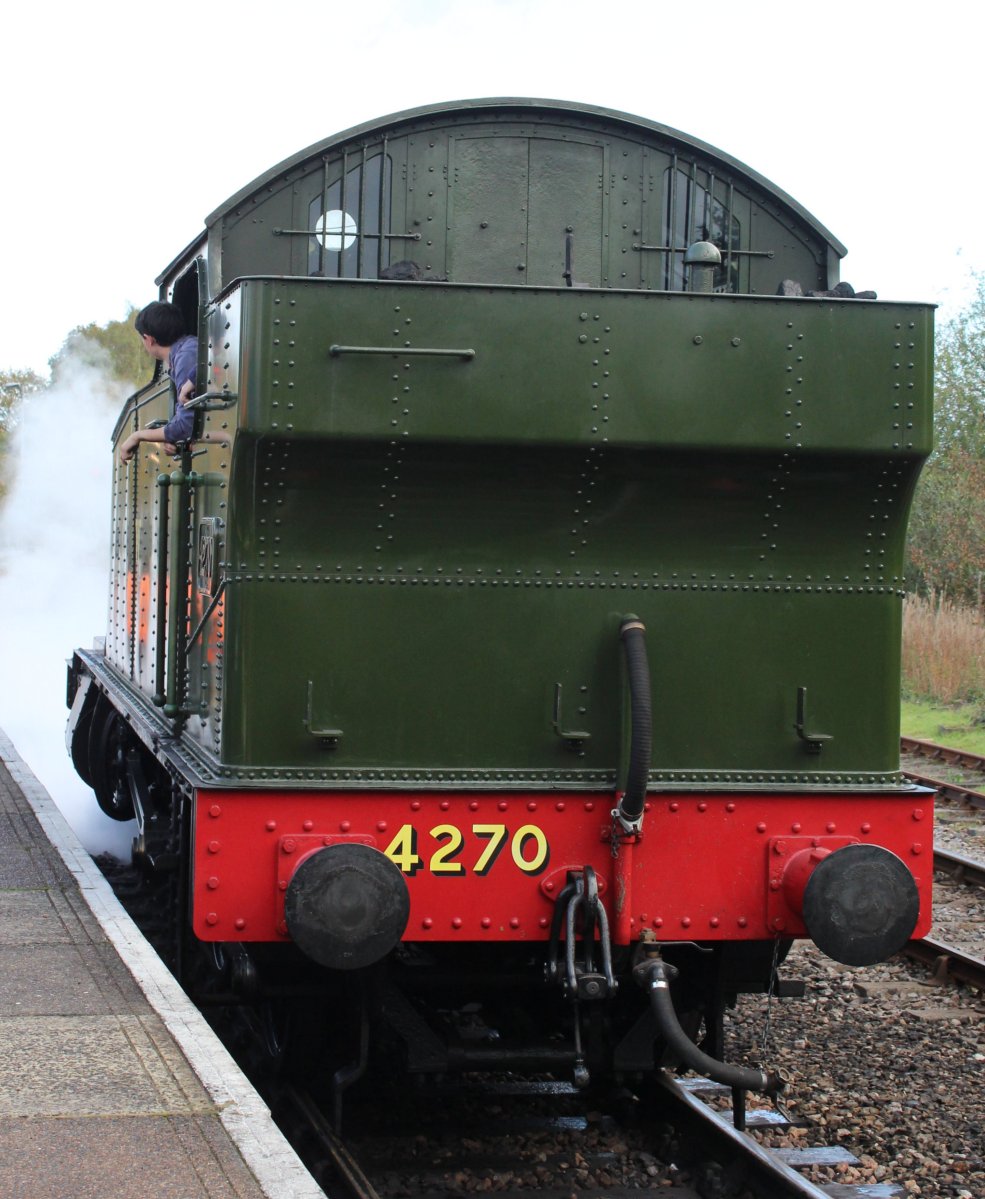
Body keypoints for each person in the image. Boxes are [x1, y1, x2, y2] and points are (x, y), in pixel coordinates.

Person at [120, 301, 198, 462]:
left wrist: (138, 435)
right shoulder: (185, 352)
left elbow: (186, 425)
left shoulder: (186, 357)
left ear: (149, 339)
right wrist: (172, 437)